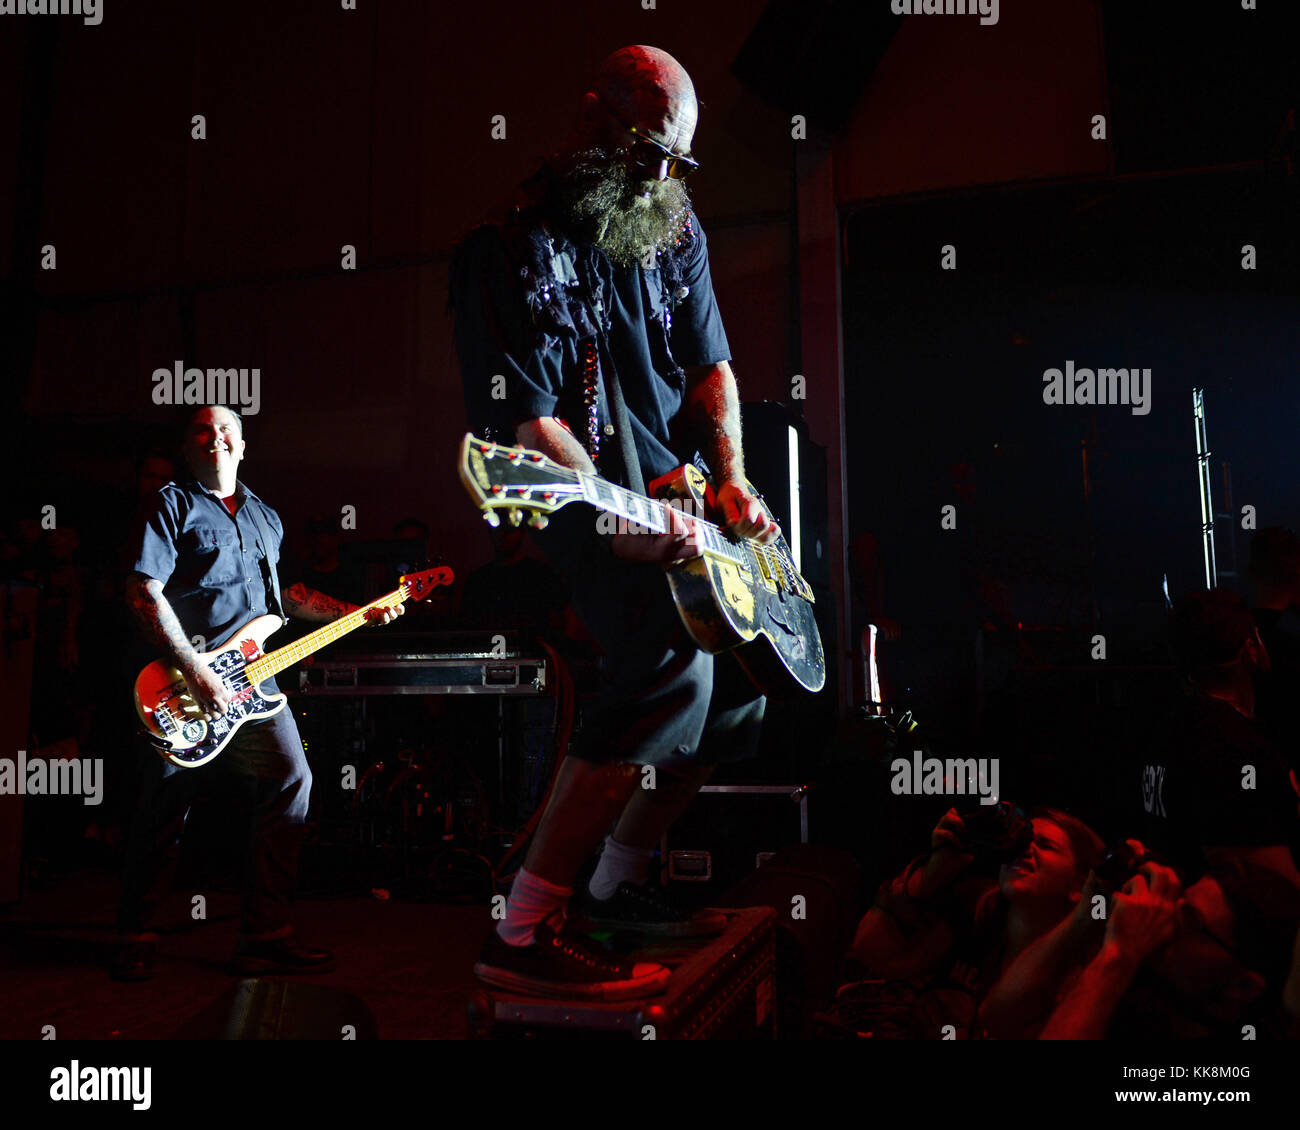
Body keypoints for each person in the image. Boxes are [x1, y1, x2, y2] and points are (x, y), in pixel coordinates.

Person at [449, 45, 783, 999]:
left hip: (672, 492)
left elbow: (711, 365)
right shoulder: (508, 253)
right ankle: (519, 928)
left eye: (680, 160)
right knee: (665, 662)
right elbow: (528, 424)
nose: (664, 176)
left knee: (742, 687)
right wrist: (611, 514)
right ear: (593, 117)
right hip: (574, 492)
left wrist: (733, 479)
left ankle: (614, 887)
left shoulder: (674, 230)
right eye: (649, 151)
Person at [111, 405, 403, 981]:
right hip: (183, 680)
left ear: (242, 447)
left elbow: (284, 599)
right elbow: (144, 591)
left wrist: (356, 614)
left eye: (226, 430)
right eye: (202, 429)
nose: (215, 437)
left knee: (292, 781)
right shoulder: (171, 504)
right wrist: (195, 668)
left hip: (256, 680)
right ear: (189, 446)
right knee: (165, 805)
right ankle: (137, 931)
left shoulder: (267, 517)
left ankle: (265, 934)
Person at [844, 804, 1104, 1038]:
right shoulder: (980, 909)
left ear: (1081, 885)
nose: (1024, 850)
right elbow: (874, 954)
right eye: (1022, 840)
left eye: (1045, 846)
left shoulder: (1089, 963)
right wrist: (931, 875)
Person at [1140, 588, 1300, 889]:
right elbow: (1269, 884)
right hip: (1237, 932)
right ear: (1249, 648)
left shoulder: (1172, 728)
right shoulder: (1232, 748)